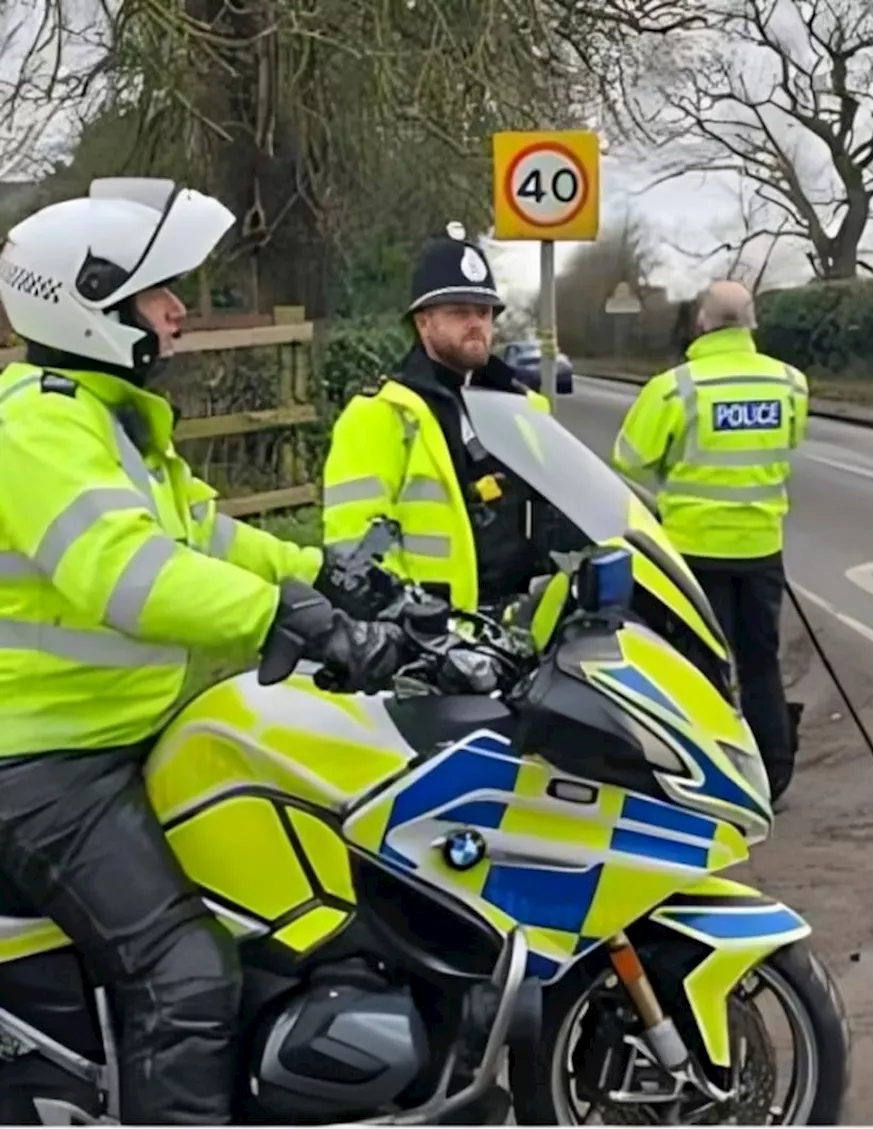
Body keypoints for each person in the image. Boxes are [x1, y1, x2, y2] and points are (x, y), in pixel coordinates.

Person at [0, 177, 409, 1124]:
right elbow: (125, 571)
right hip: (45, 762)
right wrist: (281, 622)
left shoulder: (108, 421)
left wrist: (330, 575)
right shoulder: (38, 424)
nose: (180, 310)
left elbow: (206, 539)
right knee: (184, 976)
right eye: (158, 293)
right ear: (89, 302)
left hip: (118, 738)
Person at [610, 280, 809, 807]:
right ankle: (773, 771)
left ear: (701, 322)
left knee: (698, 665)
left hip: (692, 550)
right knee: (761, 661)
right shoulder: (790, 384)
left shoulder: (676, 389)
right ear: (752, 324)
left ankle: (710, 774)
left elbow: (628, 458)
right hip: (762, 548)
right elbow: (787, 444)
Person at [321, 224, 553, 615]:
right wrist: (407, 619)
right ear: (423, 322)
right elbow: (356, 548)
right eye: (459, 312)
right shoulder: (381, 414)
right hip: (433, 642)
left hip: (522, 621)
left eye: (483, 312)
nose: (476, 324)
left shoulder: (523, 407)